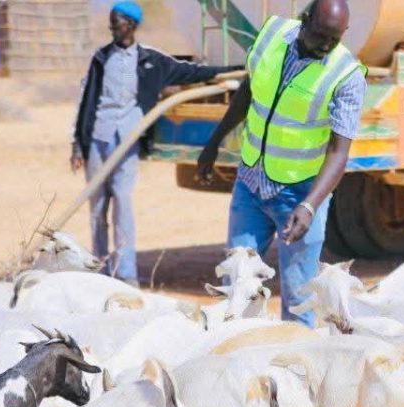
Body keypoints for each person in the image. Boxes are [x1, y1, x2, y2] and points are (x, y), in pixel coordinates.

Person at [196, 0, 364, 326]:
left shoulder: (346, 75)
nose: (326, 46)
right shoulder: (272, 33)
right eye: (321, 35)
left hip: (300, 195)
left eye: (335, 39)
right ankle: (239, 354)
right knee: (238, 286)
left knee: (299, 298)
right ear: (305, 19)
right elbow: (249, 90)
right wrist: (214, 142)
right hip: (251, 183)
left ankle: (295, 358)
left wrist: (310, 206)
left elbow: (339, 152)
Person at [72, 1, 238, 287]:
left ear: (132, 25)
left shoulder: (151, 61)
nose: (113, 27)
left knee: (122, 202)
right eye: (111, 22)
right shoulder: (101, 58)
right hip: (99, 138)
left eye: (117, 22)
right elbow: (86, 100)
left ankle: (125, 273)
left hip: (127, 141)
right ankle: (100, 269)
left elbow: (190, 72)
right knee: (97, 207)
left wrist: (231, 69)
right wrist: (78, 144)